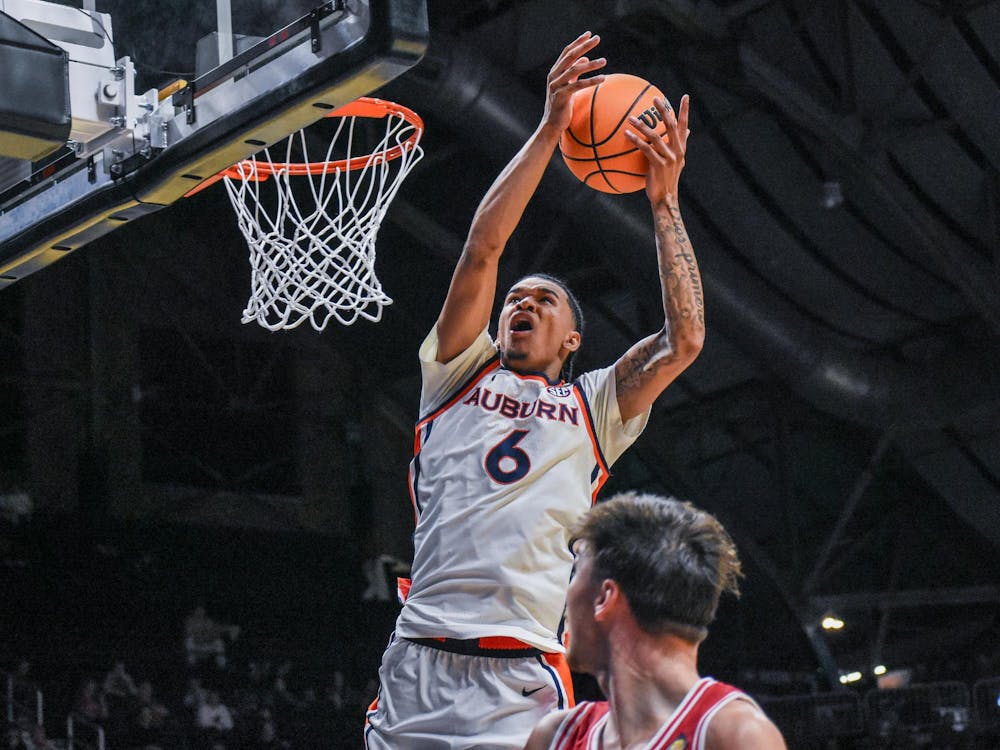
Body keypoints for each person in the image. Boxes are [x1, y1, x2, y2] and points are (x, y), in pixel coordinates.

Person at [365, 30, 705, 750]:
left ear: (573, 341)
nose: (522, 304)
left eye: (544, 301)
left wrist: (665, 203)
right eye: (515, 299)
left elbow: (685, 342)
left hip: (519, 676)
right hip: (418, 661)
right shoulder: (455, 373)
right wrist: (551, 126)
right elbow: (482, 248)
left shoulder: (592, 409)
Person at [523, 492, 787, 750]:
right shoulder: (555, 737)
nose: (564, 594)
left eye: (576, 572)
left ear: (605, 597)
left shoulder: (732, 734)